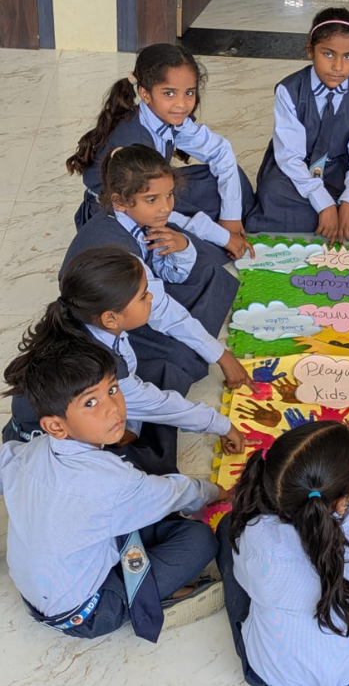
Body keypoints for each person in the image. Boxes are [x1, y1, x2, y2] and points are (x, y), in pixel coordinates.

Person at [0, 340, 228, 642]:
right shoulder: (110, 482)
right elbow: (178, 493)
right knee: (199, 540)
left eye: (112, 389)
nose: (113, 408)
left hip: (40, 591)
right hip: (87, 613)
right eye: (90, 403)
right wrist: (215, 492)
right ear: (55, 426)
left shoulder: (30, 450)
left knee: (137, 515)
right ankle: (149, 602)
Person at [3, 247, 252, 476]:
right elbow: (159, 405)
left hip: (54, 425)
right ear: (110, 318)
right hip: (48, 451)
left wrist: (131, 422)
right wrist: (221, 425)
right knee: (150, 472)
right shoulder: (99, 365)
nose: (151, 297)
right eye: (143, 296)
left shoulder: (82, 322)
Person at [216, 421, 349, 686]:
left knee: (229, 526)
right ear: (341, 502)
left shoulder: (256, 533)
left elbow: (248, 582)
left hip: (267, 677)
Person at [61, 151, 256, 395]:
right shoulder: (118, 249)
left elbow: (170, 276)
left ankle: (190, 336)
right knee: (177, 357)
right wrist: (222, 357)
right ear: (119, 201)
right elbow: (162, 310)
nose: (166, 207)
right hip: (103, 322)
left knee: (207, 270)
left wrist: (182, 246)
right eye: (152, 199)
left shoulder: (135, 219)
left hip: (130, 300)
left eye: (170, 195)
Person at [246, 7, 349, 241]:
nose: (338, 67)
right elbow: (289, 157)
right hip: (298, 165)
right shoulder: (289, 90)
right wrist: (324, 203)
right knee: (273, 192)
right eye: (328, 54)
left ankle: (324, 217)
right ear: (310, 50)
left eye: (348, 56)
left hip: (341, 164)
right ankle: (336, 217)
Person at [66, 42, 255, 231]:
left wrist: (231, 218)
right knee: (181, 234)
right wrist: (222, 235)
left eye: (189, 92)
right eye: (169, 93)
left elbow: (220, 152)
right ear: (145, 94)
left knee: (230, 177)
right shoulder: (134, 140)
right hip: (119, 213)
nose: (181, 104)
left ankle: (242, 227)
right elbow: (145, 208)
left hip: (151, 193)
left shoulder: (167, 116)